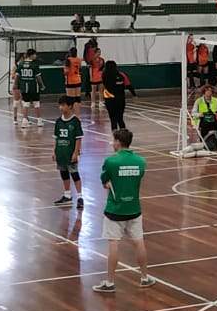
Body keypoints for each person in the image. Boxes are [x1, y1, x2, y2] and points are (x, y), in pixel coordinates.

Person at [94, 128, 148, 295]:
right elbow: (137, 180)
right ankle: (145, 277)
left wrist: (110, 184)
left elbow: (104, 181)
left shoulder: (111, 161)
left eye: (113, 140)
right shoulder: (141, 161)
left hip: (115, 209)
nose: (112, 143)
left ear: (118, 142)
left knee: (113, 243)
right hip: (134, 208)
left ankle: (109, 282)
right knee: (139, 242)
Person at [52, 97, 84, 207]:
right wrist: (54, 151)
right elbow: (56, 137)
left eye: (63, 105)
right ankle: (67, 195)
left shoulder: (75, 121)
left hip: (70, 153)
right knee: (64, 173)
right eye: (60, 105)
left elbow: (78, 138)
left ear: (70, 106)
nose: (61, 107)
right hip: (61, 152)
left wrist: (76, 152)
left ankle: (80, 197)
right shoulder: (58, 121)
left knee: (74, 174)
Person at [192, 85, 217, 152]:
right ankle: (203, 144)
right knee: (204, 127)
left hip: (213, 119)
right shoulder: (198, 101)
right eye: (207, 91)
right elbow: (193, 113)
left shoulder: (215, 100)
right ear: (204, 92)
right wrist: (199, 114)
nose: (209, 92)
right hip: (203, 120)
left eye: (210, 91)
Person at [20, 48, 44, 125]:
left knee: (25, 103)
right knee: (36, 103)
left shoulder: (21, 64)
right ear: (32, 55)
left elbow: (17, 76)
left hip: (24, 87)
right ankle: (39, 121)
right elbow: (38, 77)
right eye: (35, 54)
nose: (36, 56)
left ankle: (24, 120)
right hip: (34, 87)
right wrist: (42, 85)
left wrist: (16, 85)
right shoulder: (34, 65)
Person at [103, 66, 130, 133]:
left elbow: (105, 86)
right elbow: (128, 85)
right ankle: (124, 136)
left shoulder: (105, 75)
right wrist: (134, 95)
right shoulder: (121, 74)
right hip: (120, 99)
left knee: (113, 119)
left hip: (110, 100)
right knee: (120, 118)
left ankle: (115, 137)